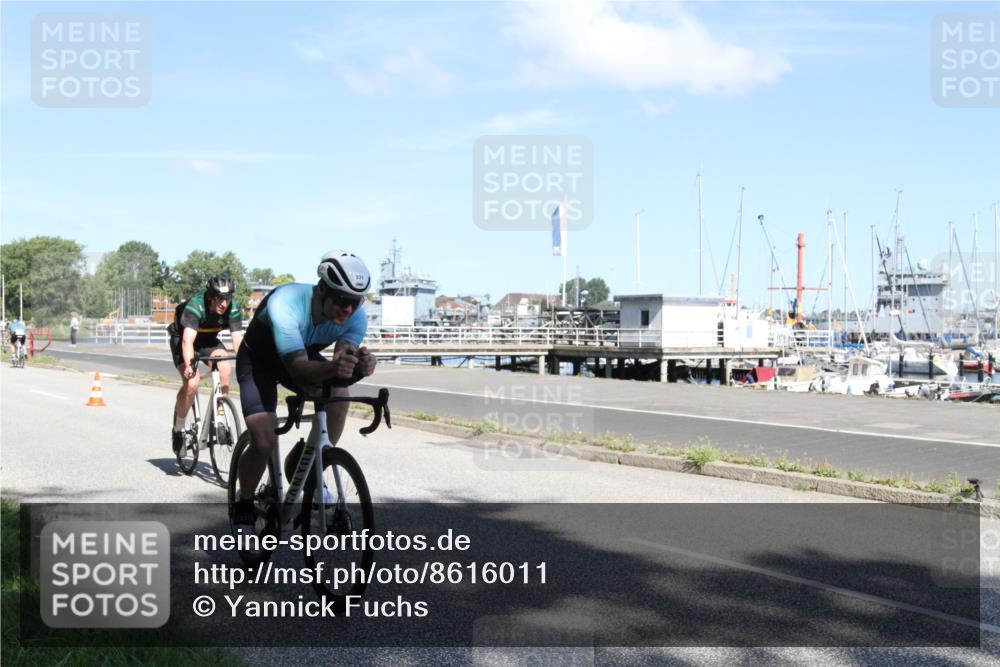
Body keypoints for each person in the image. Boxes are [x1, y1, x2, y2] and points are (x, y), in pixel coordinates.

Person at [233, 250, 376, 524]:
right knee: (263, 440)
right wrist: (336, 369)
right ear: (322, 289)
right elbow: (298, 368)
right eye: (342, 300)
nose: (348, 310)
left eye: (355, 302)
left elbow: (340, 365)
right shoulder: (286, 303)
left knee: (339, 394)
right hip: (259, 361)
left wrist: (358, 367)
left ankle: (308, 463)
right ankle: (244, 504)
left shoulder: (356, 317)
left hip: (300, 353)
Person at [169, 274, 244, 455]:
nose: (224, 304)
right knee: (192, 382)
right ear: (210, 296)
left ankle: (219, 417)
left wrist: (245, 363)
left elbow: (237, 340)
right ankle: (179, 429)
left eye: (227, 298)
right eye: (219, 298)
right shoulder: (196, 306)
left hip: (208, 340)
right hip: (184, 340)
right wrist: (189, 366)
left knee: (225, 367)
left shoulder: (232, 308)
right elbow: (187, 341)